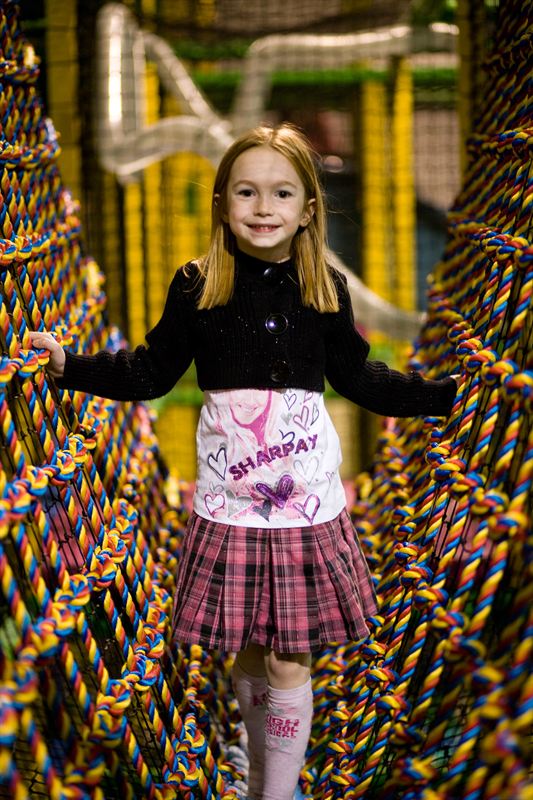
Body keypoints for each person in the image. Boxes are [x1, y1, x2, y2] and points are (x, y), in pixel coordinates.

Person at [29, 123, 458, 800]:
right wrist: (68, 368)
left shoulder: (322, 287)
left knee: (289, 658)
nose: (263, 207)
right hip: (230, 506)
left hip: (303, 507)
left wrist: (444, 397)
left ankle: (274, 791)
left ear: (307, 210)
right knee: (251, 655)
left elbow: (358, 378)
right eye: (247, 192)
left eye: (281, 193)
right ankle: (259, 767)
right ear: (222, 204)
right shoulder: (198, 286)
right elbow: (150, 371)